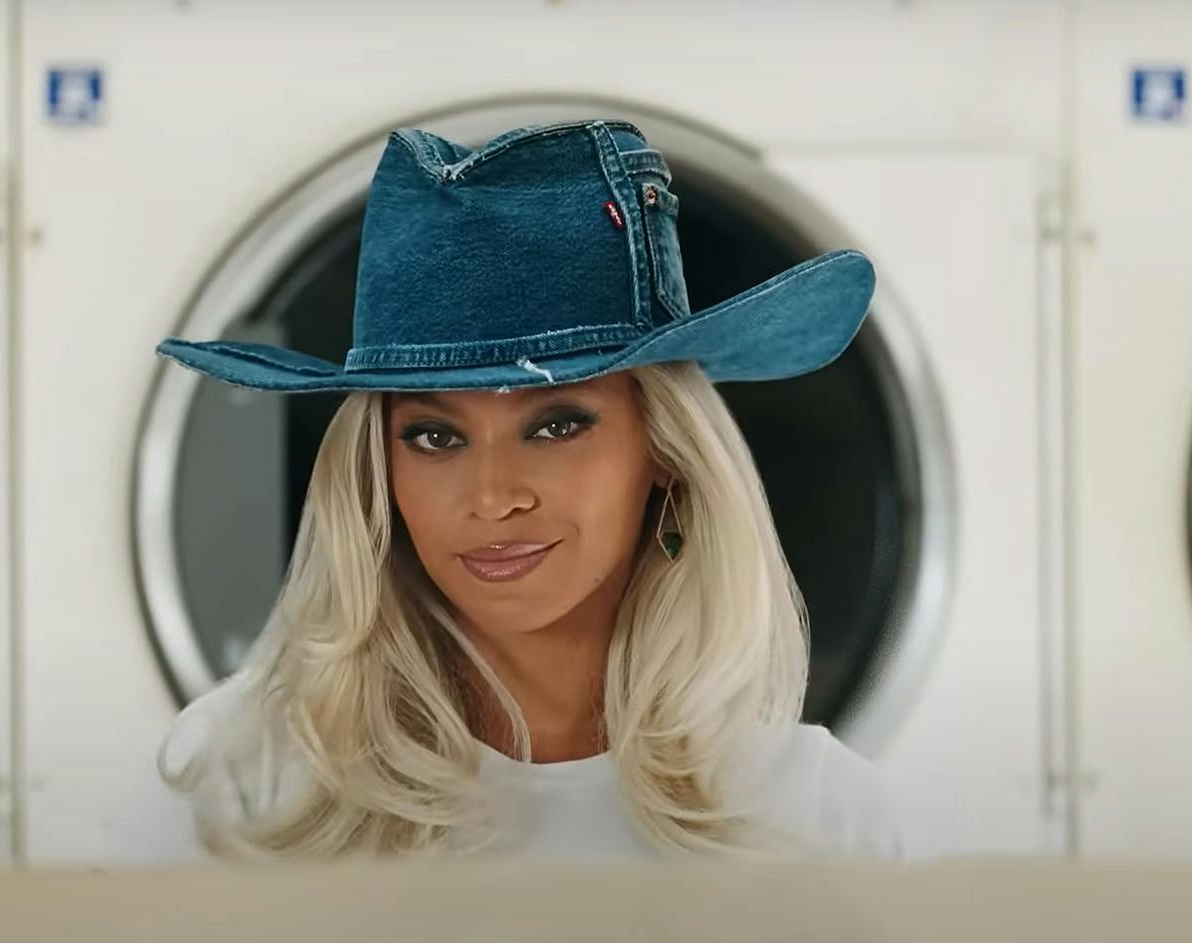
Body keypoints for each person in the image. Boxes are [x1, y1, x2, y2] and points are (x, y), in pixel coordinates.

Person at [153, 118, 919, 862]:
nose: (492, 498)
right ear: (376, 472)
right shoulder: (243, 777)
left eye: (555, 426)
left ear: (664, 449)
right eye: (435, 437)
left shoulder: (821, 818)